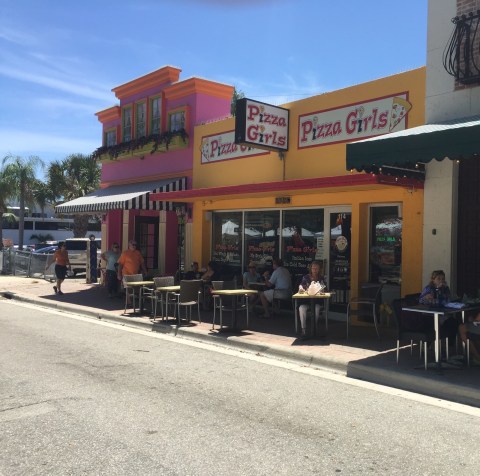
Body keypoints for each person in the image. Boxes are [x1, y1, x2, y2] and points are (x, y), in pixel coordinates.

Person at [419, 270, 458, 343]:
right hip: (430, 314)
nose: (441, 281)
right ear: (433, 280)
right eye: (438, 279)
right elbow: (421, 300)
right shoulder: (429, 288)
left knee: (453, 322)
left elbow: (448, 299)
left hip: (442, 313)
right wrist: (426, 297)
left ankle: (450, 344)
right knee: (432, 325)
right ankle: (430, 344)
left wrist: (444, 293)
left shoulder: (445, 288)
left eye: (443, 279)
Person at [298, 260, 328, 338]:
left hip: (317, 301)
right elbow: (301, 285)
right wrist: (301, 288)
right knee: (301, 308)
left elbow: (325, 289)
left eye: (316, 268)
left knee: (317, 308)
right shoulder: (306, 277)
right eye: (313, 268)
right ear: (310, 269)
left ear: (319, 269)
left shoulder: (321, 278)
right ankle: (303, 330)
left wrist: (322, 289)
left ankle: (314, 329)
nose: (314, 270)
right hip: (307, 301)